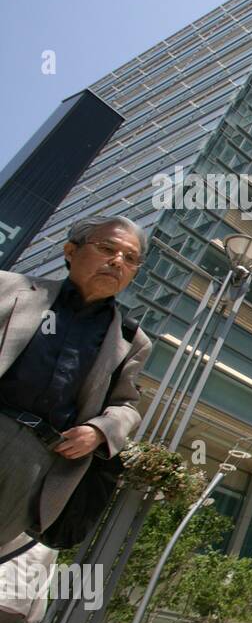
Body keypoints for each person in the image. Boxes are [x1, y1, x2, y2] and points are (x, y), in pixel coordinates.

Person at [0, 215, 152, 547]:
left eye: (130, 259)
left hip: (37, 460)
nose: (117, 262)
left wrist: (100, 430)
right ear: (71, 250)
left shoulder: (132, 339)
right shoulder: (8, 288)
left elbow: (126, 404)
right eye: (107, 248)